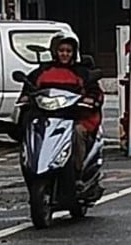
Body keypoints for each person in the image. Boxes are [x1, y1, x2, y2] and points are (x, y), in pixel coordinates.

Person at [18, 34, 103, 190]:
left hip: (73, 118)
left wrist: (90, 100)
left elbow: (95, 92)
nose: (64, 54)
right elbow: (29, 88)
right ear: (54, 51)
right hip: (46, 118)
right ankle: (31, 166)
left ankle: (77, 173)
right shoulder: (42, 71)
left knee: (78, 132)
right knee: (28, 131)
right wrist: (25, 98)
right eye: (61, 50)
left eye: (68, 51)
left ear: (73, 53)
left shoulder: (81, 72)